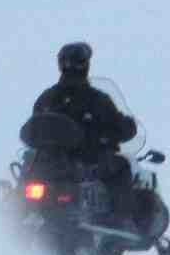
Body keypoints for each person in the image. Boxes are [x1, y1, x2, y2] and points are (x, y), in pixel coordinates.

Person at [31, 42, 140, 224]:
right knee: (122, 167)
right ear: (86, 65)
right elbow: (121, 127)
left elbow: (34, 130)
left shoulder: (46, 99)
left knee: (28, 166)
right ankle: (122, 219)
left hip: (49, 166)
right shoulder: (96, 100)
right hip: (86, 162)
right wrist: (122, 129)